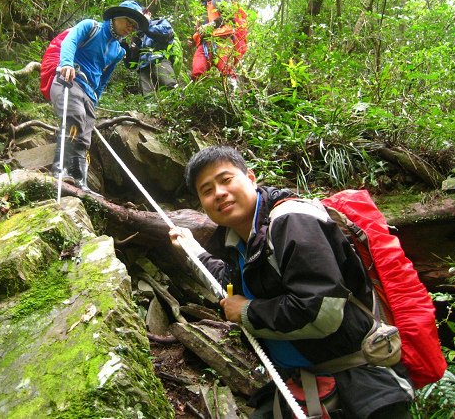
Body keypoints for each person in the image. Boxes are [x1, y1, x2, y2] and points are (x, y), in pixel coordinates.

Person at [168, 146, 415, 418]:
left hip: (361, 388)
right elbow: (232, 285)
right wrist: (193, 250)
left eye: (226, 180)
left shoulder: (292, 221)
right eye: (207, 190)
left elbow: (321, 311)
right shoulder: (242, 240)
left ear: (250, 178)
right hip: (301, 385)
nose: (219, 193)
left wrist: (248, 311)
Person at [50, 0, 149, 191]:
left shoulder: (119, 50)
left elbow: (105, 76)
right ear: (116, 16)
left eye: (135, 26)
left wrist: (96, 96)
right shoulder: (90, 27)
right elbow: (70, 40)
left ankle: (79, 179)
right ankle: (61, 170)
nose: (131, 27)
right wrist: (67, 63)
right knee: (74, 119)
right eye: (129, 21)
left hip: (89, 93)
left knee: (85, 137)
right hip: (71, 80)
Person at [190, 0, 243, 84]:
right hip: (204, 43)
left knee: (225, 68)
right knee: (197, 69)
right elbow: (199, 28)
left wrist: (213, 24)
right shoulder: (200, 8)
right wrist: (192, 38)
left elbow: (230, 17)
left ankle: (232, 93)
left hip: (222, 39)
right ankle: (198, 94)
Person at [124, 13, 179, 96]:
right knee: (148, 97)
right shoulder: (138, 34)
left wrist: (145, 25)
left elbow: (165, 34)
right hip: (143, 68)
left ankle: (181, 108)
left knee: (170, 88)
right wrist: (126, 48)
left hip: (160, 61)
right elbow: (131, 64)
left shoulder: (160, 22)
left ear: (148, 14)